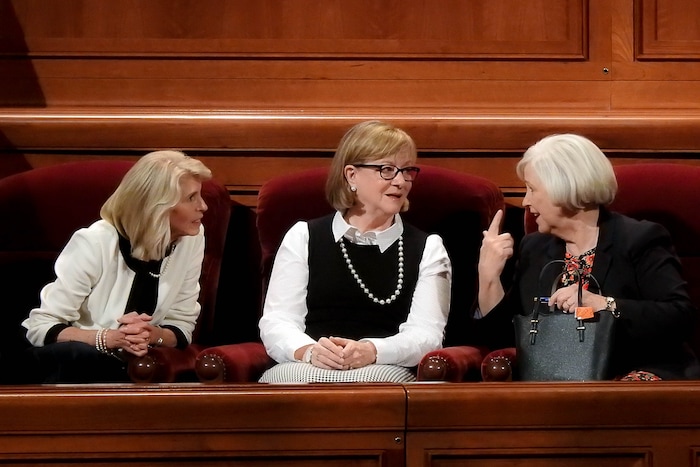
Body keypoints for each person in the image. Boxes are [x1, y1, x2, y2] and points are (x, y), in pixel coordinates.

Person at [476, 133, 699, 380]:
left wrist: (604, 304)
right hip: (559, 380)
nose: (525, 201)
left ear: (563, 187)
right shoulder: (534, 248)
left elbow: (680, 317)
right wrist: (488, 276)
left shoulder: (639, 239)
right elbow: (504, 339)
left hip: (636, 370)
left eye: (532, 189)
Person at [258, 120, 452, 383]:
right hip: (307, 365)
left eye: (407, 171)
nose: (400, 181)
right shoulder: (303, 236)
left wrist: (372, 351)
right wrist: (309, 351)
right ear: (351, 175)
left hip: (384, 368)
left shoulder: (428, 247)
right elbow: (277, 321)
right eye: (386, 169)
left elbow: (427, 335)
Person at [20, 150, 211, 383]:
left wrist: (154, 335)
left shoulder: (192, 237)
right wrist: (107, 338)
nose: (203, 207)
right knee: (81, 358)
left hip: (135, 361)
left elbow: (182, 325)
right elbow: (41, 327)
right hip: (74, 364)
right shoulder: (95, 242)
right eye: (191, 198)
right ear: (158, 206)